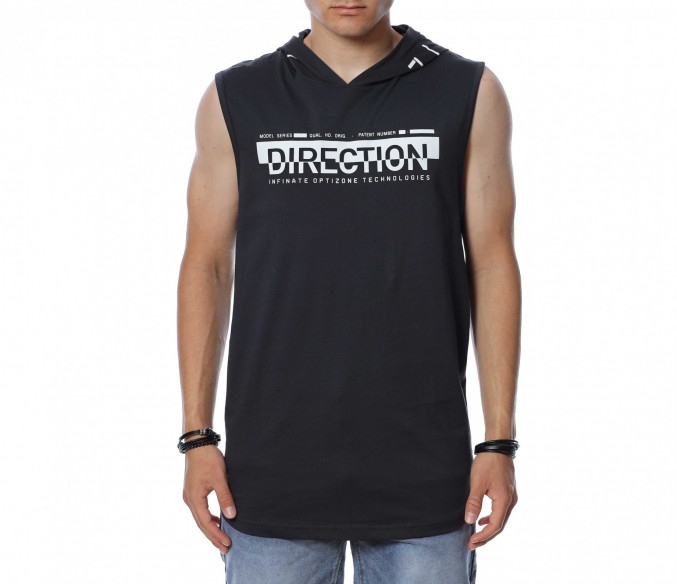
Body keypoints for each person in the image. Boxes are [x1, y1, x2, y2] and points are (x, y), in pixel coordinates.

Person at [177, 1, 520, 582]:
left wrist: (498, 443)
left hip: (427, 476)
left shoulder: (468, 91)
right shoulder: (237, 97)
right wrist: (196, 437)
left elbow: (492, 263)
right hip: (272, 476)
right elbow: (206, 266)